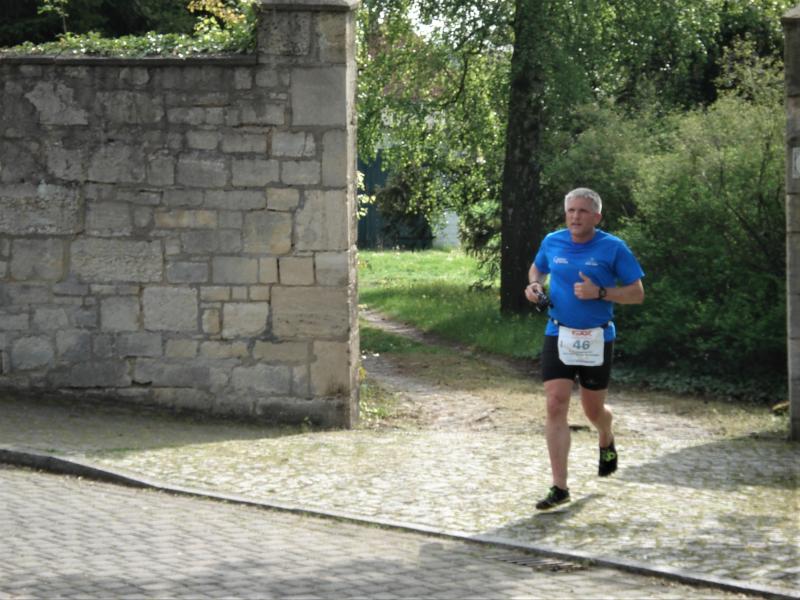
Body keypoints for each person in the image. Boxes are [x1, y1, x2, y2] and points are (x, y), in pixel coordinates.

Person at [524, 187, 645, 510]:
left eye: (583, 211)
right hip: (558, 332)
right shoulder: (553, 241)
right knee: (555, 403)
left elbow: (637, 293)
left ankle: (606, 434)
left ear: (597, 217)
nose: (575, 216)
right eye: (571, 211)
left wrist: (601, 292)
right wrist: (534, 285)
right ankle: (559, 487)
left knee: (593, 411)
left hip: (596, 337)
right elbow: (537, 268)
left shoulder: (613, 247)